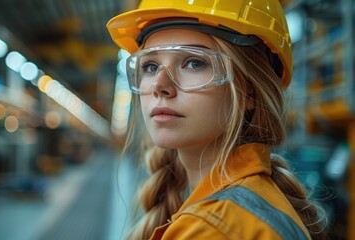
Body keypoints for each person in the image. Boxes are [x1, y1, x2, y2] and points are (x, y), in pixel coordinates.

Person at [107, 0, 328, 239]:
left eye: (194, 63)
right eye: (150, 66)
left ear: (250, 90)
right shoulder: (252, 204)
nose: (160, 86)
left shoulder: (212, 229)